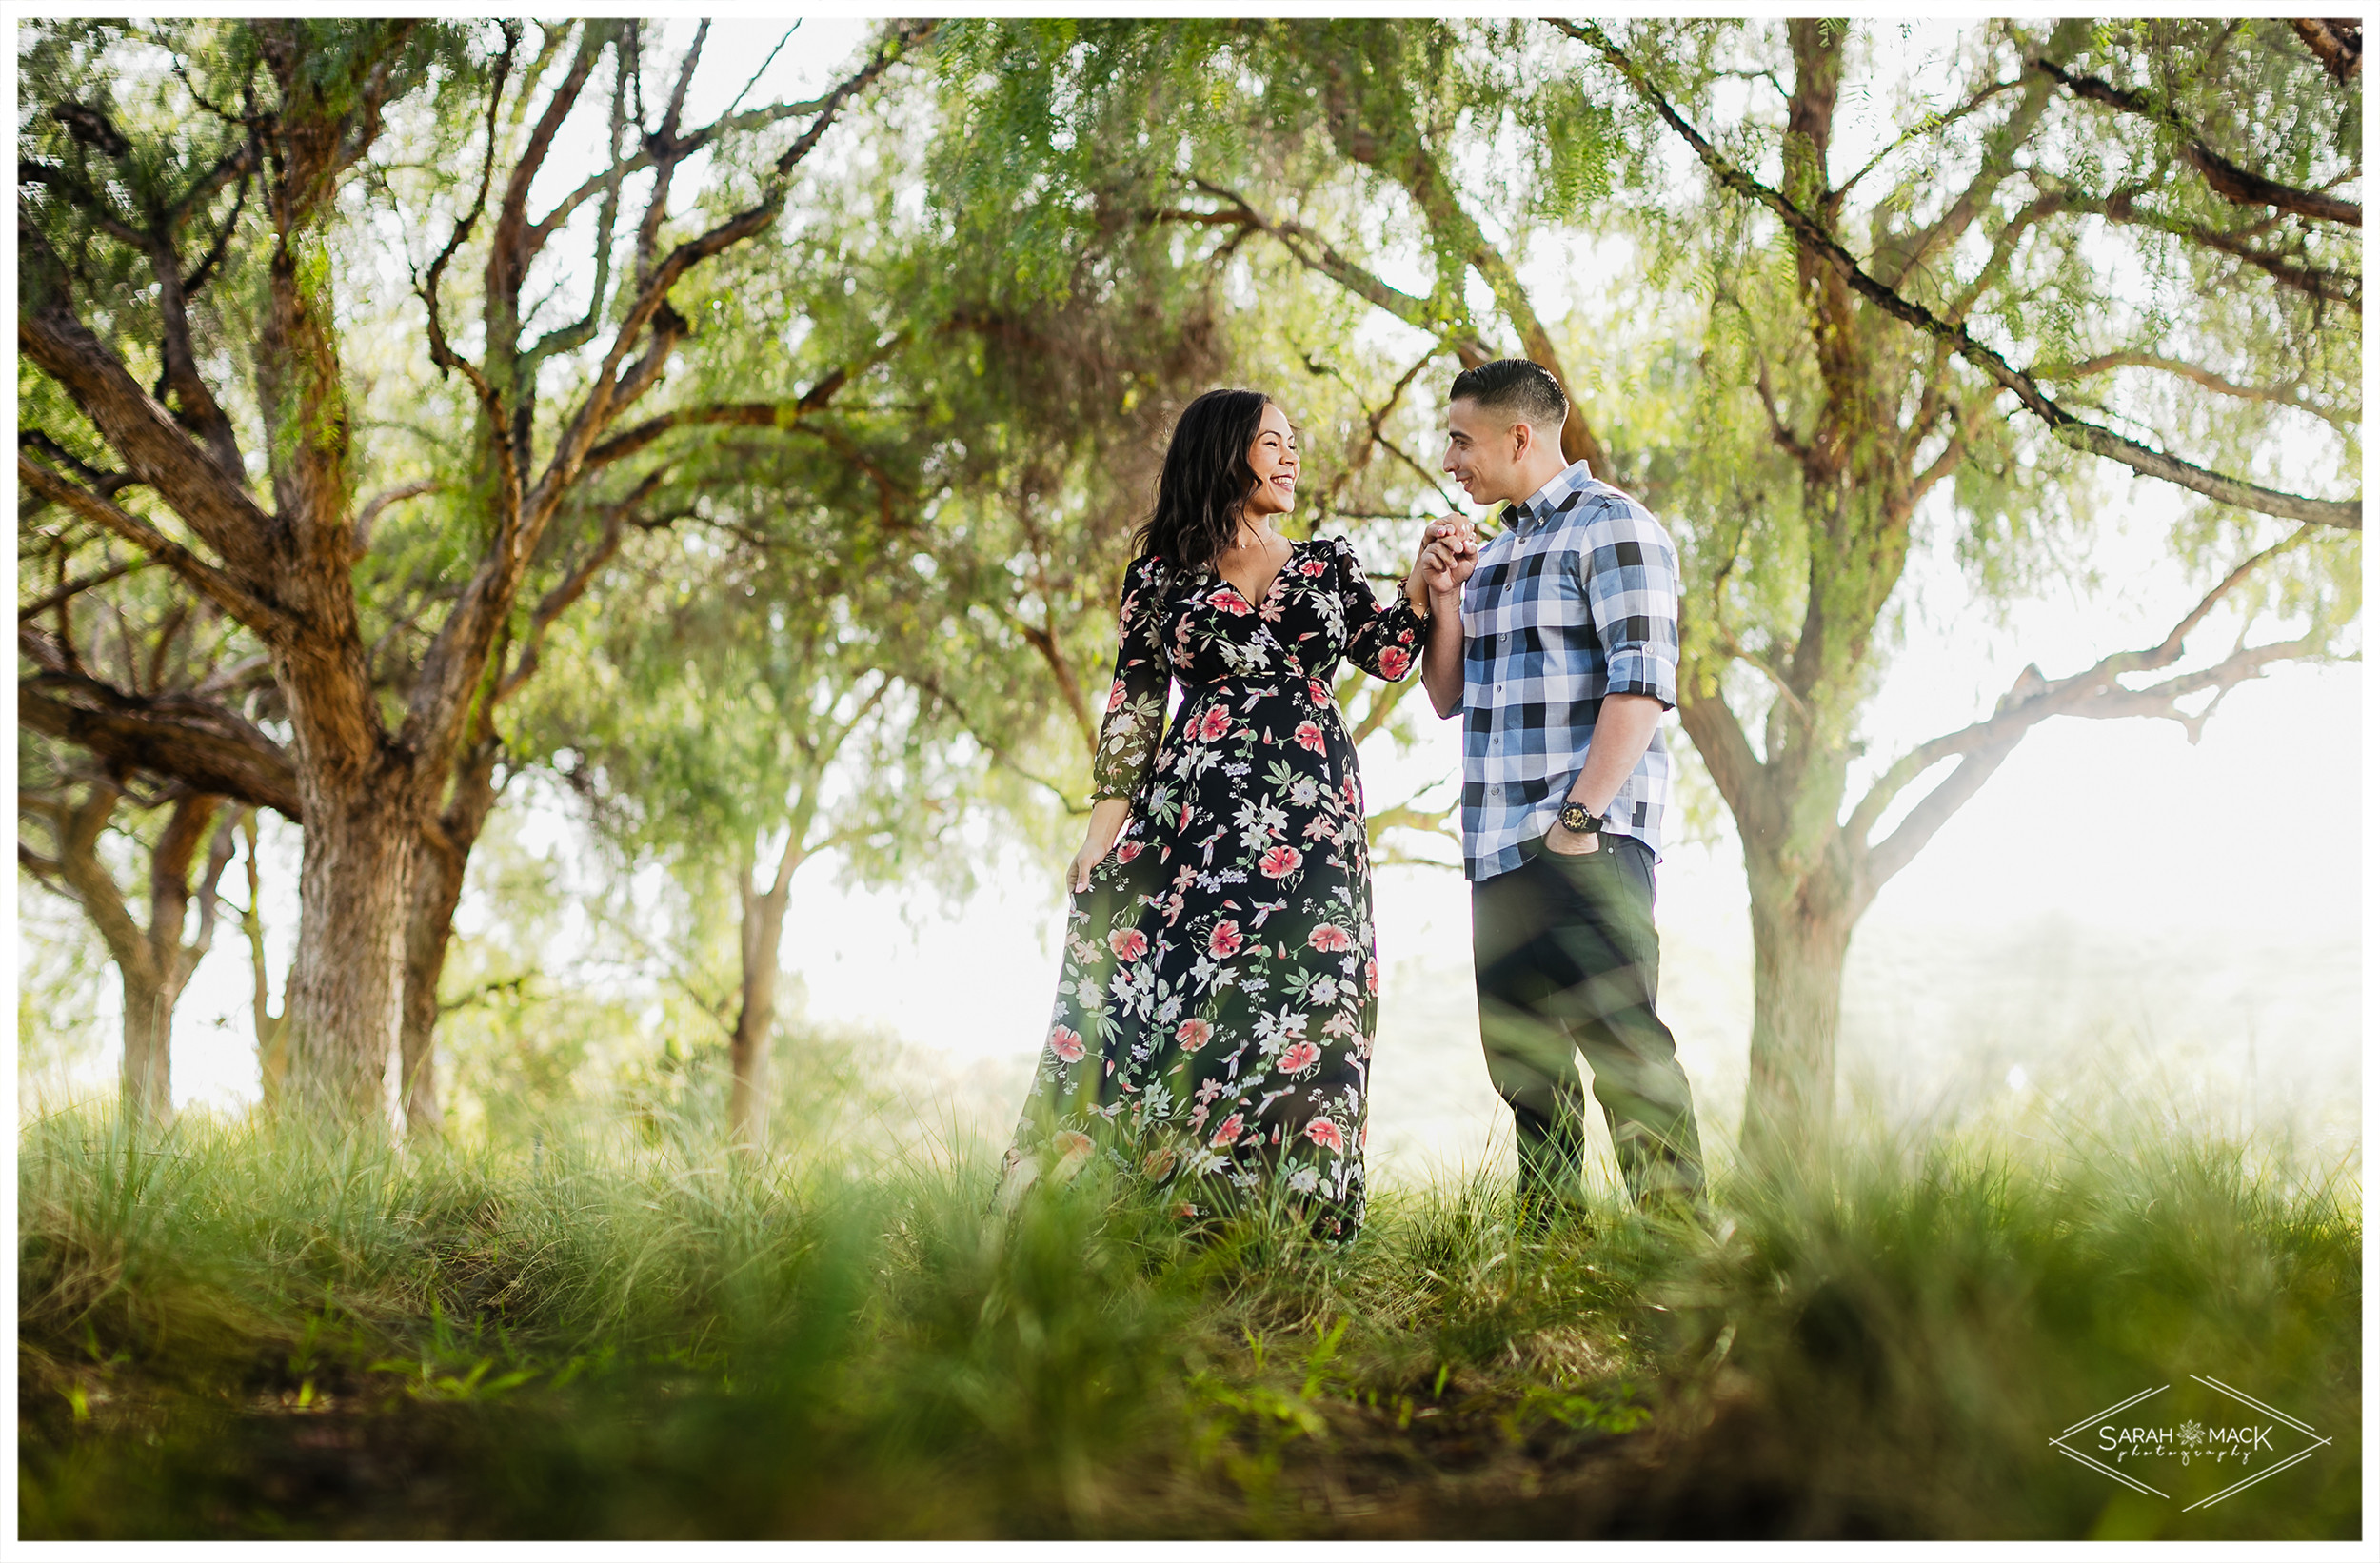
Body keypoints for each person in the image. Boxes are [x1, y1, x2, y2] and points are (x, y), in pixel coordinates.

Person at [997, 388, 1442, 1239]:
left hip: (1310, 819)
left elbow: (1388, 652)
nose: (1291, 455)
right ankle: (1127, 1203)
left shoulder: (1324, 564)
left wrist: (1421, 583)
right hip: (1191, 821)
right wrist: (1102, 835)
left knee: (1302, 1000)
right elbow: (1133, 707)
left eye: (1294, 441)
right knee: (1174, 991)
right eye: (1272, 441)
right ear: (1224, 451)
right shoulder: (1162, 575)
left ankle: (1277, 1218)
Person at [1411, 359, 1709, 1224]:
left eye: (1461, 441)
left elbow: (1643, 685)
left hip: (1585, 846)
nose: (1452, 461)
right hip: (1497, 852)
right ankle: (1547, 1271)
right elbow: (1444, 693)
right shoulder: (1496, 553)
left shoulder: (1613, 527)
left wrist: (1579, 821)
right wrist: (1444, 596)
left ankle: (1683, 1262)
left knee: (1627, 1058)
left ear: (1520, 436)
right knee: (1527, 1079)